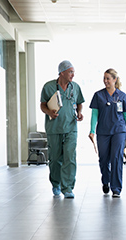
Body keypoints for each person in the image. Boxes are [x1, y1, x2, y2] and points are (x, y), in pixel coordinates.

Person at [40, 60, 84, 199]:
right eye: (70, 72)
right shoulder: (48, 87)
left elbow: (79, 103)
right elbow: (42, 105)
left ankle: (68, 188)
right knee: (55, 159)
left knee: (70, 157)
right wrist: (49, 113)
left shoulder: (75, 87)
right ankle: (56, 184)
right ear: (62, 72)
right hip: (54, 128)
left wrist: (79, 113)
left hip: (71, 127)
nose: (73, 75)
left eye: (73, 72)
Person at [88, 68, 126, 198]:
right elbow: (94, 115)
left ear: (115, 80)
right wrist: (92, 131)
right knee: (103, 159)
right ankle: (106, 181)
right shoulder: (98, 95)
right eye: (104, 78)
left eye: (108, 78)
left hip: (118, 131)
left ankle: (116, 188)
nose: (105, 81)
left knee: (116, 158)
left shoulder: (123, 96)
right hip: (103, 131)